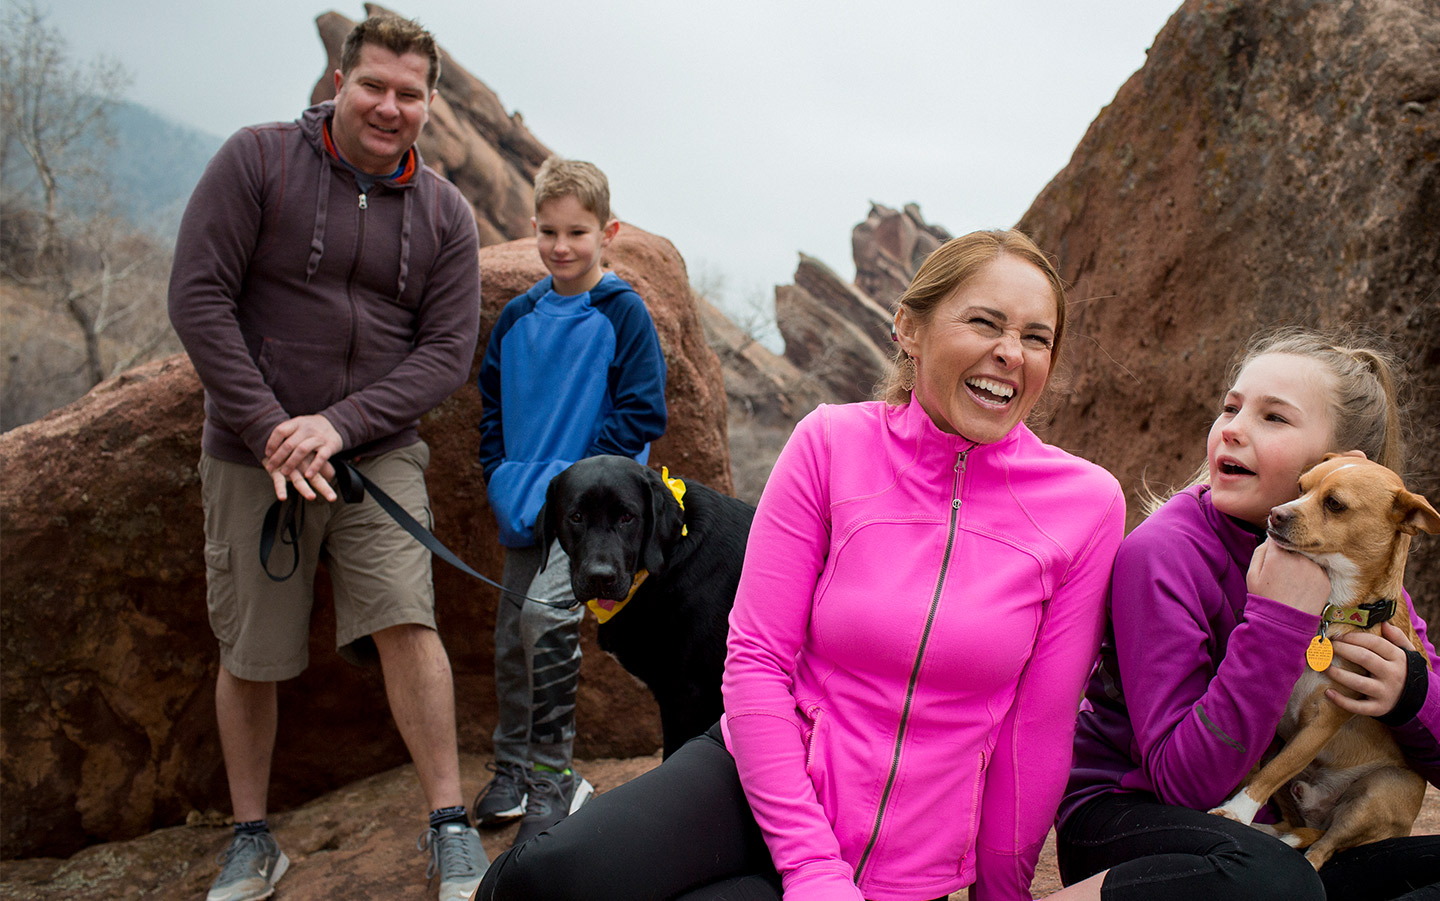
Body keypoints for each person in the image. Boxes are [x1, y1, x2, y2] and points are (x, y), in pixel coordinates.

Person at [474, 228, 1126, 900]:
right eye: (984, 322)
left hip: (910, 855)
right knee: (545, 879)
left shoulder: (1086, 506)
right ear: (908, 327)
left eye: (1037, 336)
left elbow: (1038, 729)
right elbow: (756, 657)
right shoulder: (830, 443)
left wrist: (1001, 894)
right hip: (761, 777)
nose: (1010, 353)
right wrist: (812, 863)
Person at [167, 14, 487, 901]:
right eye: (373, 86)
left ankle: (449, 826)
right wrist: (272, 422)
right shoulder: (257, 160)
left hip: (373, 449)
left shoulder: (445, 213)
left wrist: (339, 424)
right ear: (337, 82)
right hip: (251, 447)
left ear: (431, 103)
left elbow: (445, 353)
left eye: (410, 94)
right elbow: (198, 296)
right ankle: (252, 837)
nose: (390, 107)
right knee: (251, 647)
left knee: (407, 618)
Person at [1051, 329, 1440, 901]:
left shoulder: (1361, 576)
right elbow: (1184, 783)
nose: (1232, 427)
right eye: (1231, 407)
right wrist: (1278, 622)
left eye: (1273, 418)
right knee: (1274, 882)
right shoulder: (1163, 553)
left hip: (1283, 839)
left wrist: (1410, 695)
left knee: (1289, 881)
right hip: (1133, 818)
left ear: (1345, 463)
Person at [474, 156, 667, 848]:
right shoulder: (517, 316)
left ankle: (556, 776)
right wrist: (500, 470)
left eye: (578, 232)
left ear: (607, 231)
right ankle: (513, 767)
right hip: (526, 506)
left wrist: (582, 480)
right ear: (532, 228)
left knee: (547, 616)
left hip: (591, 515)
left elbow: (643, 410)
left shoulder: (623, 312)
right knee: (509, 636)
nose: (562, 246)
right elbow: (491, 403)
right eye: (549, 230)